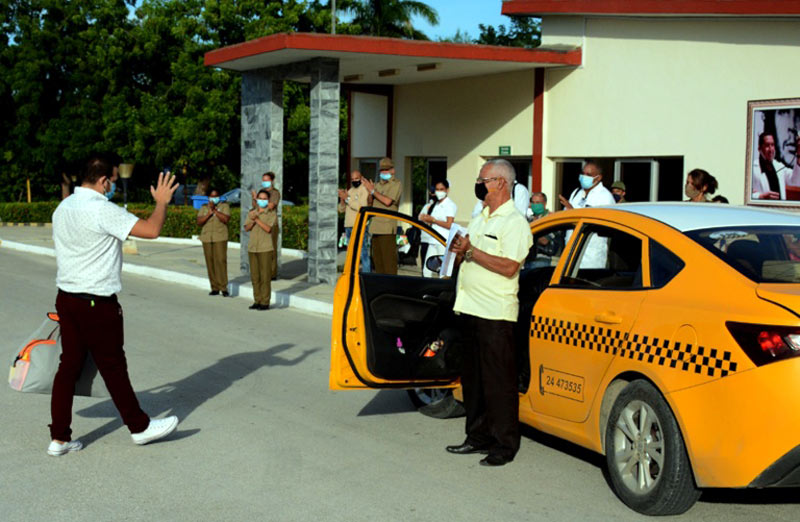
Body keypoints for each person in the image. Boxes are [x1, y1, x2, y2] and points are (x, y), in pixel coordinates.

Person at [49, 157, 180, 456]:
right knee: (113, 367)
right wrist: (161, 202)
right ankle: (140, 427)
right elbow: (152, 230)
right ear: (103, 181)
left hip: (67, 298)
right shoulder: (102, 209)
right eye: (113, 180)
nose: (113, 186)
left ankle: (59, 438)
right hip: (96, 301)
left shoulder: (63, 207)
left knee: (68, 367)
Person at [446, 158, 533, 467]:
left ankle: (504, 444)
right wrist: (460, 253)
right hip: (469, 307)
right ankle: (477, 436)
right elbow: (469, 253)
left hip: (495, 313)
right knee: (474, 381)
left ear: (500, 183)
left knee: (498, 383)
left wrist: (471, 251)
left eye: (483, 180)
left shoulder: (515, 223)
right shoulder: (480, 217)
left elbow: (509, 266)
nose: (479, 185)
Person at [361, 157, 402, 275]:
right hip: (375, 227)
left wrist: (373, 191)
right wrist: (369, 192)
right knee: (378, 263)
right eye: (382, 170)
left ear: (392, 170)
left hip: (387, 228)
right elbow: (370, 204)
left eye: (386, 169)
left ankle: (391, 285)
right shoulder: (377, 185)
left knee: (388, 264)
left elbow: (388, 201)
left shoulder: (396, 184)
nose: (384, 172)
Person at [244, 189, 277, 310]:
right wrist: (253, 220)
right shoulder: (252, 212)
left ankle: (265, 302)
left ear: (268, 200)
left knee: (265, 277)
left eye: (264, 199)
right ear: (256, 199)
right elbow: (246, 228)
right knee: (255, 276)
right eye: (260, 198)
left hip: (265, 248)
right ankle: (257, 300)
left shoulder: (271, 213)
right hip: (253, 248)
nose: (262, 201)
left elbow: (268, 229)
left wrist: (257, 219)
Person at [418, 180, 457, 277]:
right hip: (432, 240)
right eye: (437, 189)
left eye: (441, 189)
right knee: (427, 269)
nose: (439, 192)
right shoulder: (436, 204)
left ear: (447, 190)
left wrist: (434, 220)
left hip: (443, 240)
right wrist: (427, 219)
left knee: (443, 270)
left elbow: (449, 224)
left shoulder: (449, 205)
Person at [197, 188, 231, 297]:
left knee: (220, 261)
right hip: (207, 237)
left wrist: (215, 211)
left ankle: (223, 287)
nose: (214, 198)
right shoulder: (204, 207)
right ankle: (214, 287)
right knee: (210, 262)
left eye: (216, 196)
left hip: (220, 237)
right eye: (212, 196)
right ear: (208, 198)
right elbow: (199, 222)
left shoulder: (224, 206)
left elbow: (226, 219)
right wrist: (208, 213)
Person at [338, 170, 371, 271]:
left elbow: (361, 207)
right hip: (348, 226)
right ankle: (352, 273)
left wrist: (347, 199)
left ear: (361, 178)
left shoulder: (364, 190)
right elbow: (341, 210)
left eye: (356, 178)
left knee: (362, 252)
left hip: (359, 225)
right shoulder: (350, 191)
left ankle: (366, 273)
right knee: (351, 253)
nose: (354, 181)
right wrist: (342, 199)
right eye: (352, 179)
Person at [752, 132, 800, 200]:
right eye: (767, 145)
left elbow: (796, 182)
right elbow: (742, 194)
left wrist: (799, 156)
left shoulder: (779, 166)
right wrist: (760, 196)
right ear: (759, 148)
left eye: (772, 145)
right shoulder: (752, 169)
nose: (771, 149)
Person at [251, 171, 281, 279]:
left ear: (272, 181)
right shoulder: (261, 192)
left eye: (266, 180)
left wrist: (259, 200)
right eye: (263, 180)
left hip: (271, 223)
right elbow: (255, 206)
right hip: (260, 222)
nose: (264, 182)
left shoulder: (275, 193)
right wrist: (254, 198)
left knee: (271, 248)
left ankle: (272, 273)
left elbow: (271, 206)